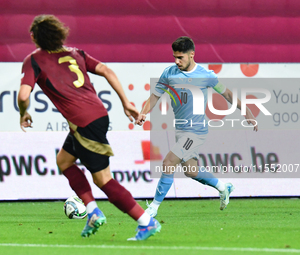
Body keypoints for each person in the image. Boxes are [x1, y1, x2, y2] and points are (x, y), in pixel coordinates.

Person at [17, 14, 161, 241]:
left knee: (103, 179)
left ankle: (145, 222)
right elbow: (106, 69)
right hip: (94, 116)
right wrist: (125, 101)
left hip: (84, 123)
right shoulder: (76, 53)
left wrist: (23, 112)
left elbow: (24, 94)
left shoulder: (34, 59)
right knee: (64, 161)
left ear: (35, 37)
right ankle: (93, 211)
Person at [136, 36, 258, 217]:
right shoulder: (169, 73)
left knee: (169, 162)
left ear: (192, 55)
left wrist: (245, 110)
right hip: (180, 129)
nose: (176, 61)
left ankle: (153, 208)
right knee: (191, 171)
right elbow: (155, 96)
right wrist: (144, 112)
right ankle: (224, 187)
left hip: (196, 131)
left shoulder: (205, 75)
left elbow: (227, 94)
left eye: (180, 57)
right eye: (174, 57)